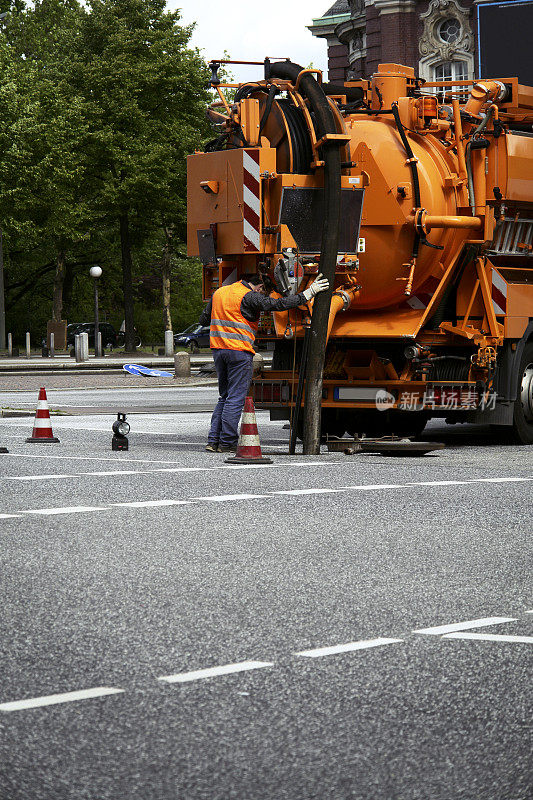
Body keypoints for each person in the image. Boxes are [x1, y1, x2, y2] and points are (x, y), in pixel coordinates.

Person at [199, 272, 330, 452]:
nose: (262, 294)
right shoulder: (249, 296)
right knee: (236, 398)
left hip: (218, 351)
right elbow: (278, 305)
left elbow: (203, 319)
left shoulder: (219, 293)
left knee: (225, 397)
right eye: (262, 291)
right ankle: (227, 442)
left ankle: (213, 441)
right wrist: (309, 293)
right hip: (239, 351)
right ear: (259, 286)